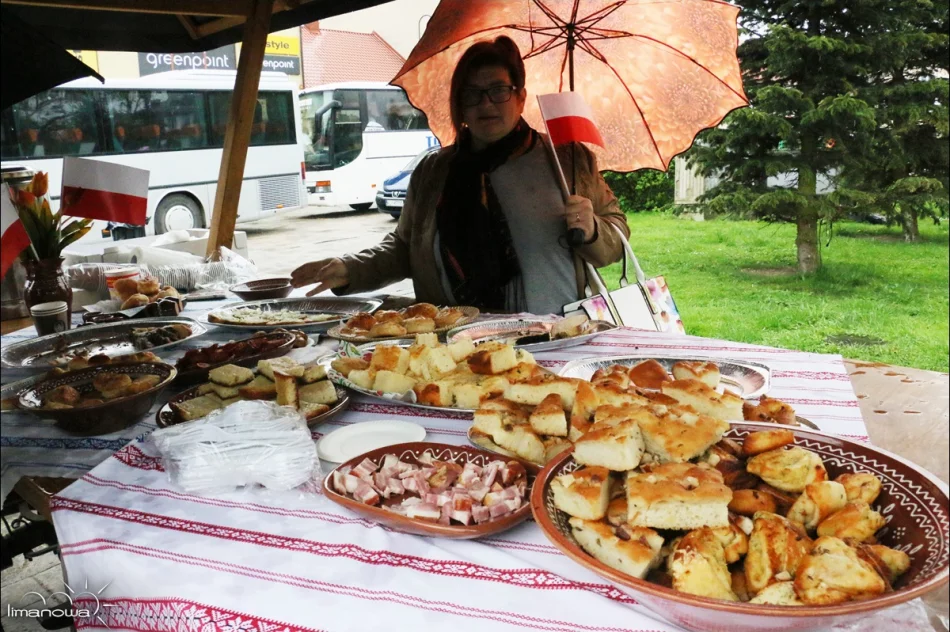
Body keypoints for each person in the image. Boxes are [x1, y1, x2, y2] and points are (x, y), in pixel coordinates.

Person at [291, 36, 629, 315]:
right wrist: (350, 269)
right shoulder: (433, 171)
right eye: (472, 94)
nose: (486, 104)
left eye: (499, 90)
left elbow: (617, 236)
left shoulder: (568, 160)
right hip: (457, 347)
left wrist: (594, 229)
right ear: (460, 105)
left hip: (556, 336)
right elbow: (405, 248)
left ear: (521, 97)